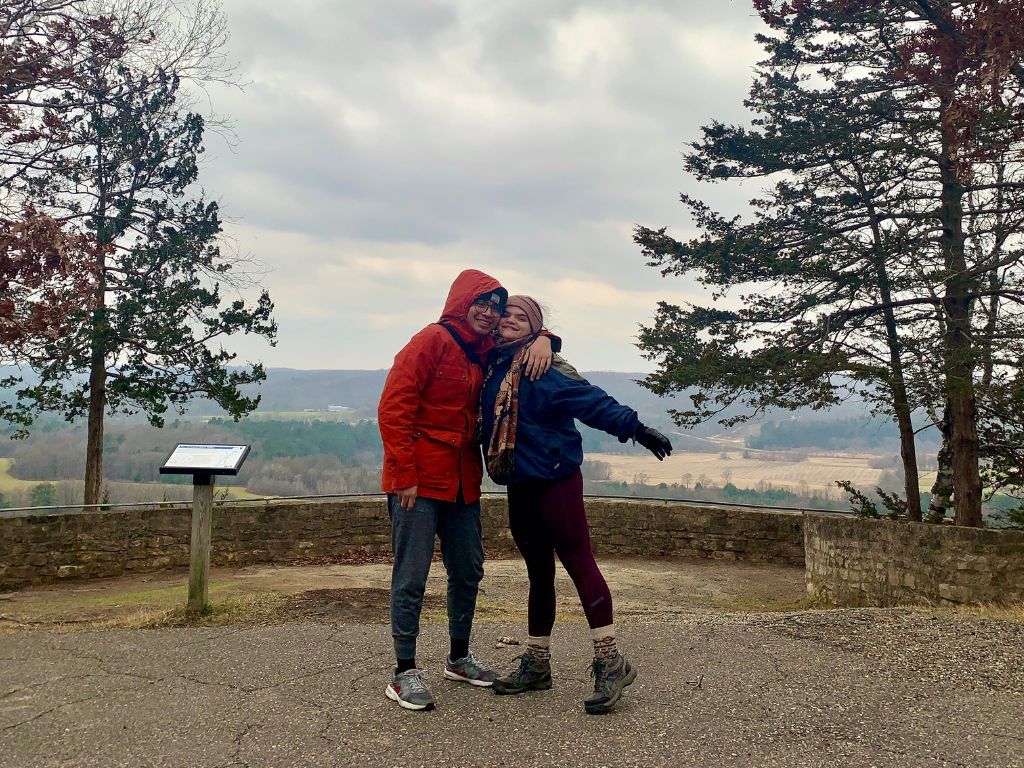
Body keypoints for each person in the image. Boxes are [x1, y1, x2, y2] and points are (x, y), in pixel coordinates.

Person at [480, 295, 672, 714]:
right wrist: (548, 336)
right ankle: (538, 663)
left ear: (534, 328)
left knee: (580, 565)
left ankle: (610, 661)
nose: (511, 320)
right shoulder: (492, 362)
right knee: (538, 573)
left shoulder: (542, 368)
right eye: (506, 314)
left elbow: (590, 402)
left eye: (522, 317)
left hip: (556, 480)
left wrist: (637, 429)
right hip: (520, 482)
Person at [377, 270, 554, 711]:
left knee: (468, 570)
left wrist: (546, 338)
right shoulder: (430, 341)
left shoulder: (486, 351)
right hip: (419, 481)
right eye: (482, 303)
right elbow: (393, 408)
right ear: (462, 301)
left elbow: (528, 334)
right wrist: (403, 476)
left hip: (462, 481)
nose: (490, 312)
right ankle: (403, 672)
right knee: (412, 577)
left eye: (496, 306)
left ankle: (458, 658)